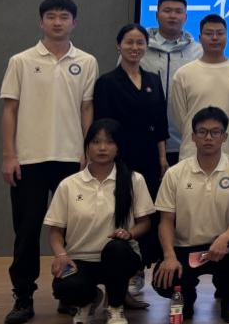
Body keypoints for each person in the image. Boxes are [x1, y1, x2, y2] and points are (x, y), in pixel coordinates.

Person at [0, 0, 98, 325]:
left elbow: (87, 109)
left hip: (72, 160)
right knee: (27, 231)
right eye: (51, 16)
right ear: (41, 22)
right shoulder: (21, 61)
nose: (58, 22)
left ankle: (68, 294)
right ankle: (23, 296)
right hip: (29, 160)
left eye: (64, 16)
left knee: (73, 233)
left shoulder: (86, 61)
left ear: (74, 23)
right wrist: (9, 155)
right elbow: (10, 109)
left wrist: (86, 152)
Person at [45, 120, 155, 325]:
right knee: (64, 288)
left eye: (109, 142)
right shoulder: (69, 185)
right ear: (87, 146)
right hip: (80, 259)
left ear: (118, 147)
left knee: (117, 249)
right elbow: (55, 231)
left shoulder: (134, 180)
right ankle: (90, 299)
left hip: (119, 257)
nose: (102, 148)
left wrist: (129, 233)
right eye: (96, 142)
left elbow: (145, 223)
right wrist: (61, 255)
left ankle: (115, 307)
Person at [152, 107, 229, 324]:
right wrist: (169, 256)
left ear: (224, 137)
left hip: (223, 247)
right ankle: (186, 297)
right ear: (193, 137)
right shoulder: (175, 174)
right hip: (185, 247)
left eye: (215, 132)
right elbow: (165, 222)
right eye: (202, 132)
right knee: (163, 282)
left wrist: (225, 237)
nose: (208, 137)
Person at [93, 24, 169, 296]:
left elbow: (160, 123)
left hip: (149, 158)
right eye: (129, 42)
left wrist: (162, 157)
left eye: (140, 43)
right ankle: (119, 274)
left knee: (147, 213)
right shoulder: (107, 82)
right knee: (122, 211)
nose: (135, 48)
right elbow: (103, 126)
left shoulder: (153, 80)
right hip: (121, 158)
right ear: (118, 45)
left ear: (146, 47)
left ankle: (138, 270)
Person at [169, 14, 229, 161]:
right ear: (200, 38)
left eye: (220, 33)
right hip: (192, 152)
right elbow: (181, 119)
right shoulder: (184, 73)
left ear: (227, 37)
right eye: (209, 33)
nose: (214, 38)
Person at [142, 0, 202, 167]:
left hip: (186, 141)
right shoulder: (139, 47)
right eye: (167, 11)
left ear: (185, 17)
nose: (173, 16)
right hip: (145, 139)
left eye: (178, 11)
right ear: (156, 15)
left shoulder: (198, 51)